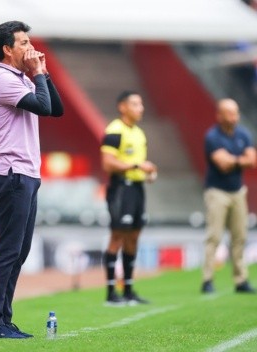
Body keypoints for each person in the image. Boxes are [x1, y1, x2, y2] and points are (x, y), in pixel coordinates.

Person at [0, 20, 63, 339]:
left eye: (30, 41)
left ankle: (3, 319)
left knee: (20, 249)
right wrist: (37, 74)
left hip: (25, 171)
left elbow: (56, 109)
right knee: (9, 248)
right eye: (23, 43)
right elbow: (42, 107)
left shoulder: (20, 78)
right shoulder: (0, 78)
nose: (30, 47)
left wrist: (43, 73)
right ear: (7, 49)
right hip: (12, 171)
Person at [100, 91, 157, 306]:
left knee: (133, 237)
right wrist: (136, 166)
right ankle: (111, 293)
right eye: (135, 104)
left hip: (137, 188)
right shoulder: (115, 129)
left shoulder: (140, 133)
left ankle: (129, 291)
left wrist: (146, 173)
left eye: (141, 104)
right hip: (120, 188)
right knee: (117, 236)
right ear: (122, 107)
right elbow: (107, 163)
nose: (140, 108)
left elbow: (137, 163)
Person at [201, 98, 257, 294]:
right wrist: (241, 159)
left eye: (236, 112)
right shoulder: (212, 136)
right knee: (214, 237)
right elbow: (222, 164)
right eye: (230, 113)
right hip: (217, 191)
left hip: (238, 191)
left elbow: (253, 161)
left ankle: (241, 280)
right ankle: (207, 279)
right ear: (219, 115)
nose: (235, 117)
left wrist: (233, 159)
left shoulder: (243, 134)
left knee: (240, 237)